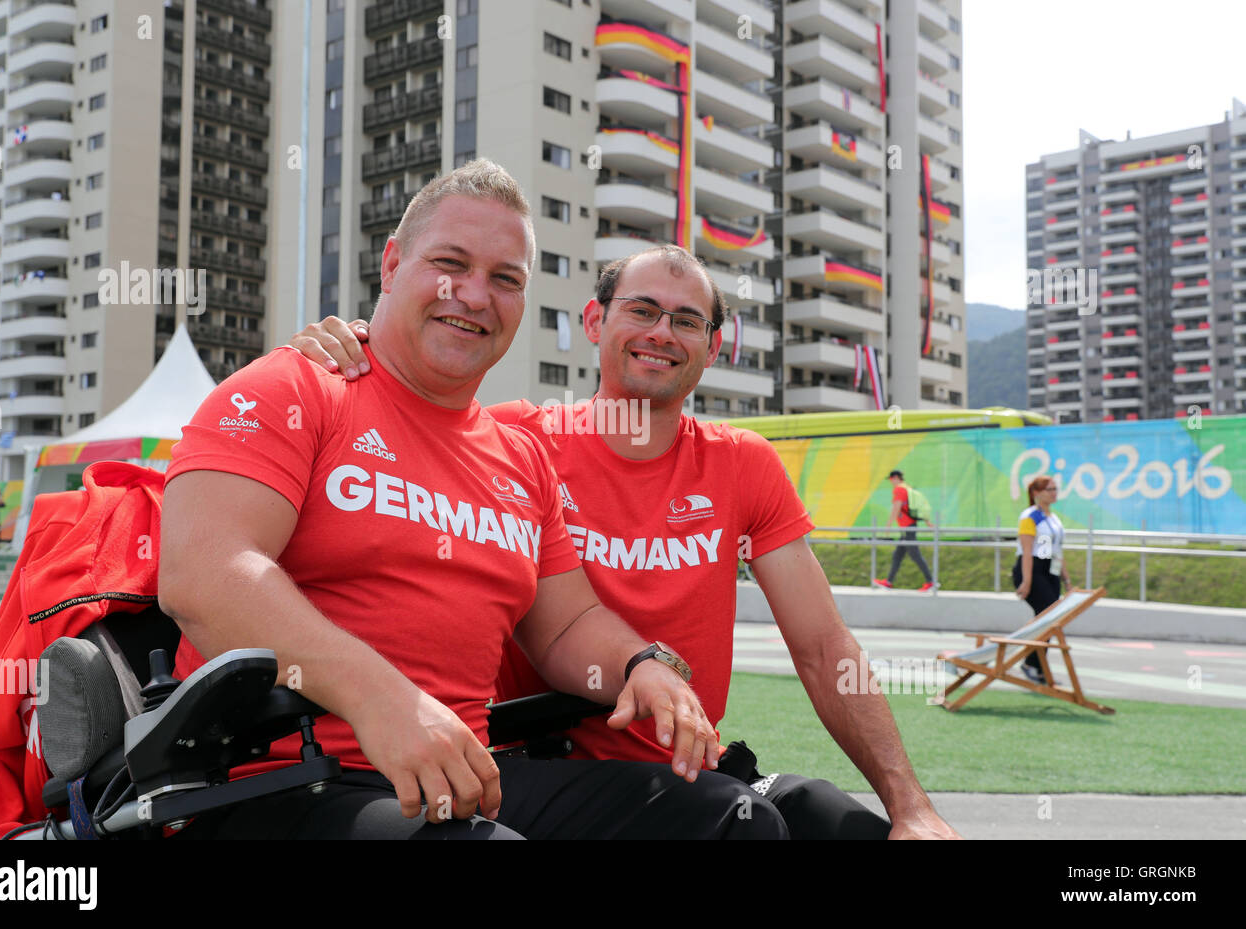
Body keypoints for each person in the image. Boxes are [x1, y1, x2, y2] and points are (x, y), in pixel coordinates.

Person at [159, 161, 785, 840]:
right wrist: (384, 702)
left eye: (506, 279)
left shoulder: (519, 456)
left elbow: (567, 627)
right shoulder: (299, 387)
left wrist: (642, 665)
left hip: (464, 780)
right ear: (393, 263)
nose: (474, 295)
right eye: (450, 263)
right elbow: (203, 574)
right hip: (275, 782)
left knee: (731, 821)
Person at [291, 244, 960, 840]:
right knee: (740, 819)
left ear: (714, 346)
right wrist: (357, 350)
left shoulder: (743, 464)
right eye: (642, 310)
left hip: (693, 770)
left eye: (687, 320)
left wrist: (911, 807)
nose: (662, 334)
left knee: (828, 817)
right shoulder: (514, 441)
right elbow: (399, 411)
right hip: (545, 775)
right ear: (593, 322)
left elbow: (823, 648)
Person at [1012, 475, 1071, 685]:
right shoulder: (1031, 516)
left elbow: (1053, 551)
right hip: (1032, 569)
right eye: (1049, 489)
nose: (1054, 493)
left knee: (1050, 619)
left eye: (1055, 489)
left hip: (1048, 569)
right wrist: (1027, 581)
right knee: (1046, 616)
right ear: (1037, 493)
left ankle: (1035, 664)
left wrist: (1066, 579)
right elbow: (1028, 552)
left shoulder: (1053, 519)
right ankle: (1031, 663)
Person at [872, 469, 937, 593]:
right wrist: (927, 521)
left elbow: (897, 507)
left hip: (907, 528)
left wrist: (888, 525)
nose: (891, 482)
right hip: (907, 527)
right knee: (897, 555)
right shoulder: (908, 488)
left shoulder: (900, 489)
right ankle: (888, 582)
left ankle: (931, 581)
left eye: (891, 479)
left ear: (895, 477)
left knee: (915, 555)